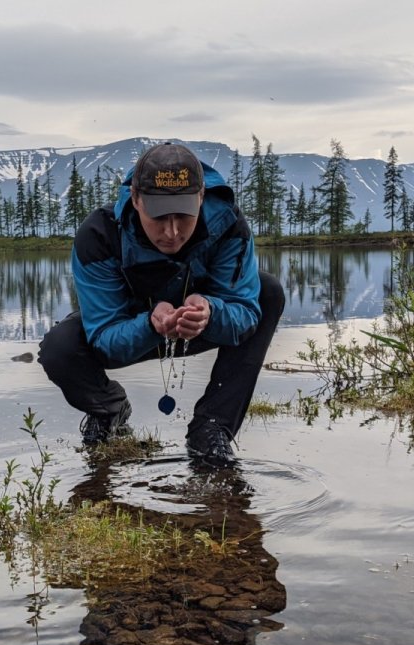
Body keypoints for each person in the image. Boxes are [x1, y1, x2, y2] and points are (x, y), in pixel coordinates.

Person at [39, 142, 284, 466]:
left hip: (200, 326)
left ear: (201, 198)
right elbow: (104, 340)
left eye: (184, 216)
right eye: (158, 217)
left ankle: (211, 431)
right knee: (60, 347)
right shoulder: (99, 235)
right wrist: (149, 324)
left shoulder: (228, 225)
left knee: (267, 293)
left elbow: (245, 312)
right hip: (133, 327)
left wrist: (211, 312)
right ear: (136, 200)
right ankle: (108, 409)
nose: (171, 232)